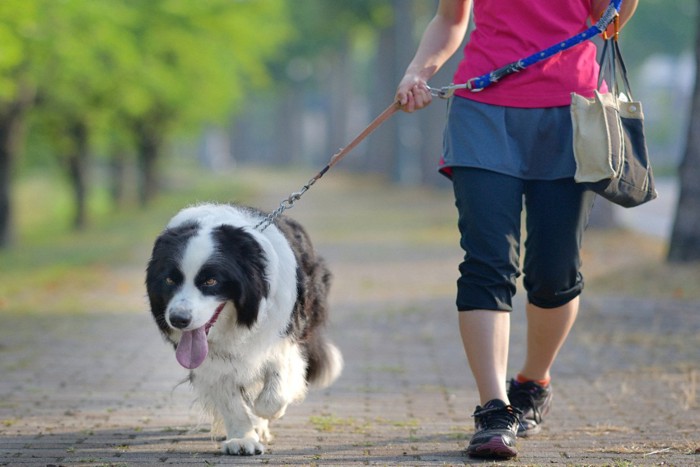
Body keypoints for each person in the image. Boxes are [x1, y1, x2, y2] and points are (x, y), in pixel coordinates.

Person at [395, 0, 638, 460]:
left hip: (572, 113)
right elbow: (450, 18)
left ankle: (532, 382)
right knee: (487, 261)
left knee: (553, 272)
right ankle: (494, 409)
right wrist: (417, 71)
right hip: (483, 110)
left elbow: (610, 24)